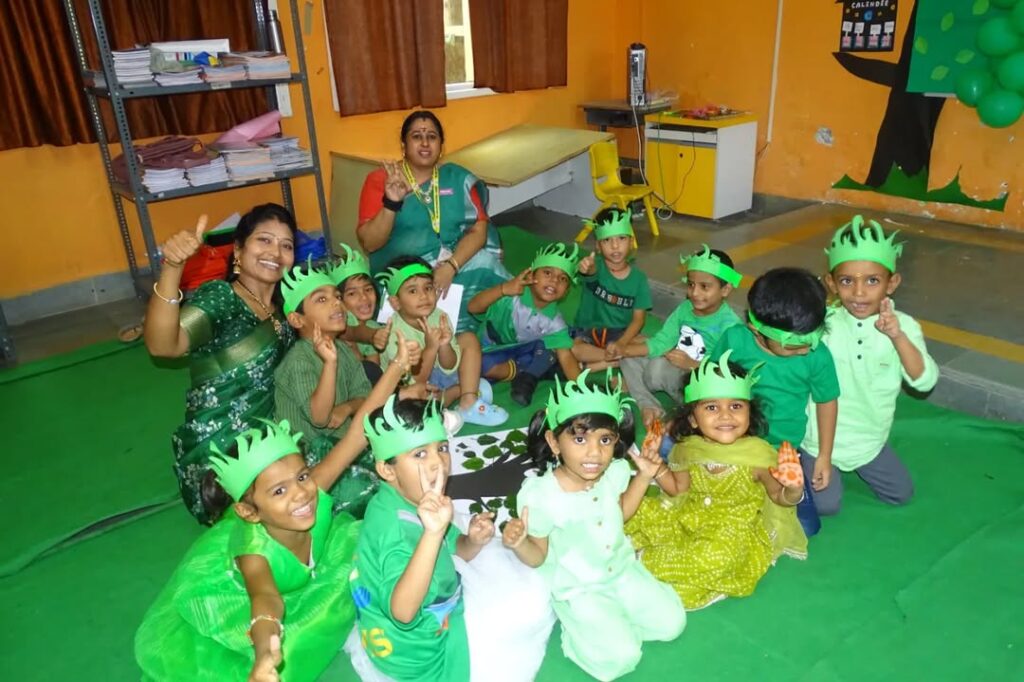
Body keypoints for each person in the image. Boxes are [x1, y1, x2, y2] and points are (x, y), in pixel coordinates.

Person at [135, 333, 420, 682]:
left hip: (303, 565)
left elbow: (358, 432)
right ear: (251, 511)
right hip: (235, 592)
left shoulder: (311, 490)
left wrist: (397, 366)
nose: (301, 494)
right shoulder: (254, 553)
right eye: (280, 490)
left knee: (368, 555)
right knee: (297, 643)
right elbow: (267, 601)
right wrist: (264, 653)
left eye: (301, 477)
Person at [503, 370, 686, 681]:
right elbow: (539, 557)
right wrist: (520, 543)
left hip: (622, 571)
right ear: (553, 441)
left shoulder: (614, 471)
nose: (594, 452)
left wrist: (643, 476)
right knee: (621, 659)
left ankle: (614, 621)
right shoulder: (542, 495)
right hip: (581, 589)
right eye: (579, 438)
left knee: (672, 624)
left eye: (605, 439)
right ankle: (579, 634)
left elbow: (620, 514)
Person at [144, 204, 297, 525]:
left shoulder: (284, 311)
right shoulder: (222, 298)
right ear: (238, 250)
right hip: (221, 459)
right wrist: (172, 267)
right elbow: (163, 346)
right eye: (264, 241)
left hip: (274, 438)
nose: (276, 252)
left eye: (286, 245)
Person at [625, 352, 807, 610]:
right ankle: (635, 564)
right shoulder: (690, 447)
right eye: (711, 407)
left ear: (749, 412)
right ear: (692, 419)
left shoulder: (757, 454)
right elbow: (678, 489)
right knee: (634, 511)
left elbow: (779, 497)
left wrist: (794, 488)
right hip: (687, 515)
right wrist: (657, 470)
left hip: (728, 533)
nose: (725, 416)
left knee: (716, 559)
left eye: (736, 406)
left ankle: (635, 561)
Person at [802, 216, 939, 514]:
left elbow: (924, 381)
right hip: (818, 440)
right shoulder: (822, 323)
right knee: (826, 506)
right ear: (831, 284)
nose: (859, 292)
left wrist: (896, 336)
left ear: (892, 284)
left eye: (872, 281)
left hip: (869, 440)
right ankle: (801, 458)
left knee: (901, 494)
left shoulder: (904, 326)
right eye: (847, 281)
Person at [708, 267, 840, 537]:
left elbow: (827, 402)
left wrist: (824, 456)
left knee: (808, 527)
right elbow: (711, 386)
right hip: (732, 441)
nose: (807, 349)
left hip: (784, 451)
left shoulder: (818, 355)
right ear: (756, 330)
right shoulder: (735, 339)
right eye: (794, 346)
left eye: (813, 339)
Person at [357, 110, 510, 333]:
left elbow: (480, 228)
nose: (425, 143)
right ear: (403, 144)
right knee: (419, 301)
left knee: (488, 268)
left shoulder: (457, 178)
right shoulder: (381, 180)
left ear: (441, 145)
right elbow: (370, 243)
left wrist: (451, 266)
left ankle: (508, 328)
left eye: (432, 136)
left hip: (453, 262)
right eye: (417, 136)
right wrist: (391, 203)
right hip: (404, 272)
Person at [273, 259, 376, 518]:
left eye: (337, 296)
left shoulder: (342, 348)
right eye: (321, 299)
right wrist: (329, 364)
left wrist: (348, 406)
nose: (337, 304)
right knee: (366, 493)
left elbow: (365, 395)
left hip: (345, 443)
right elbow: (319, 418)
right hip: (311, 458)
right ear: (296, 319)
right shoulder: (299, 360)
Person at [619, 245, 742, 427]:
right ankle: (648, 405)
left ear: (725, 290)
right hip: (672, 366)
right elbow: (662, 341)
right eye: (691, 285)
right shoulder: (685, 308)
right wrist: (624, 350)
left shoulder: (731, 326)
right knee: (628, 359)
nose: (695, 293)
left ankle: (690, 413)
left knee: (658, 367)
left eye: (704, 287)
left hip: (698, 382)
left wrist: (692, 365)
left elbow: (728, 371)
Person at [378, 255, 508, 427]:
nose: (424, 296)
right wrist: (431, 348)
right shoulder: (393, 334)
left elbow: (449, 365)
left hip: (438, 375)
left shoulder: (439, 316)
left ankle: (468, 401)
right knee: (414, 406)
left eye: (428, 288)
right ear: (395, 302)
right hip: (410, 388)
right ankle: (461, 391)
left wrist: (444, 345)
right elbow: (416, 383)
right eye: (412, 291)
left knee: (468, 338)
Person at [468, 242, 582, 406]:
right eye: (548, 272)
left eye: (563, 278)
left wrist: (582, 390)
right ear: (531, 276)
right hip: (492, 346)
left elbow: (565, 355)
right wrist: (503, 289)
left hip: (525, 349)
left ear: (567, 290)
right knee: (480, 366)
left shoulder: (555, 322)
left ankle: (536, 368)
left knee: (549, 349)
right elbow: (473, 307)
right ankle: (533, 370)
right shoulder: (510, 298)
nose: (554, 280)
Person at [570, 209, 652, 370]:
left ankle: (595, 365)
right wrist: (587, 268)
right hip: (588, 331)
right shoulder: (596, 266)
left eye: (621, 238)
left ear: (631, 241)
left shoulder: (639, 279)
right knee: (574, 349)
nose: (615, 246)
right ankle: (614, 360)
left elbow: (638, 319)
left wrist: (622, 343)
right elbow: (590, 273)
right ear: (598, 246)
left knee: (652, 343)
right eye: (607, 240)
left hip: (620, 334)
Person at [330, 242, 389, 384]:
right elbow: (349, 331)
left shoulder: (374, 326)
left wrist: (358, 355)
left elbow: (373, 372)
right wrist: (371, 336)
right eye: (352, 293)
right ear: (339, 300)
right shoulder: (339, 322)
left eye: (368, 289)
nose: (364, 297)